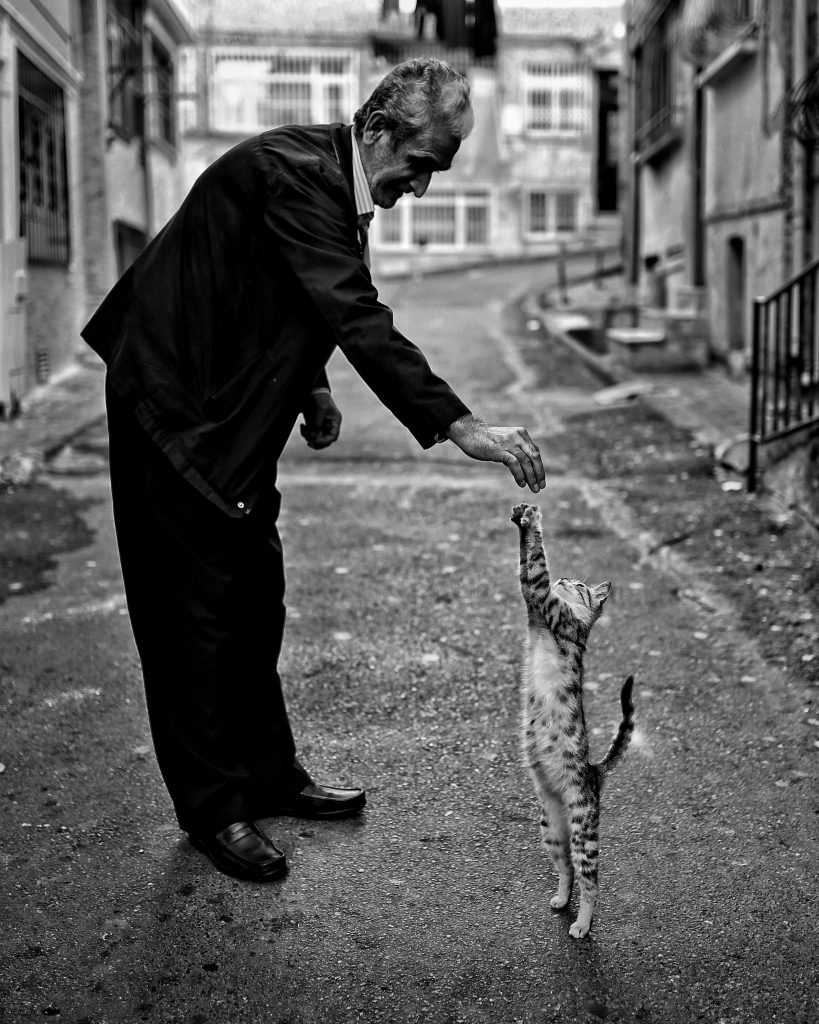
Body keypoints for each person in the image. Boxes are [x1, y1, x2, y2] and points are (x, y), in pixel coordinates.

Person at [81, 57, 545, 883]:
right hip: (173, 407)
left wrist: (312, 384)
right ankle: (214, 809)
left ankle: (268, 775)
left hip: (233, 408)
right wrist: (459, 423)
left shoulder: (328, 177)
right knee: (187, 622)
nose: (423, 187)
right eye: (423, 164)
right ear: (376, 129)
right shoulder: (292, 174)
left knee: (254, 599)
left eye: (439, 170)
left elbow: (284, 290)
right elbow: (351, 308)